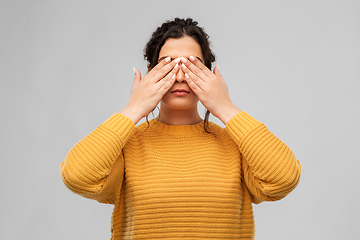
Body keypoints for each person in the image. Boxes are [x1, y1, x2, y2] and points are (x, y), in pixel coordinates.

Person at [60, 18, 301, 239]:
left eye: (192, 66)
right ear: (150, 72)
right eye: (168, 65)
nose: (180, 77)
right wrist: (134, 108)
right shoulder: (126, 145)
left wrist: (225, 106)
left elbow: (284, 179)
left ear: (210, 73)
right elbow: (77, 177)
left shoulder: (236, 144)